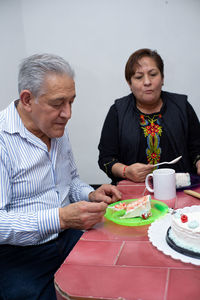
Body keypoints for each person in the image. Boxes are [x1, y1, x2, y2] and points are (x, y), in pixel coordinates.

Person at [0, 53, 121, 300]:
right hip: (19, 253)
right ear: (27, 99)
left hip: (67, 235)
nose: (68, 114)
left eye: (71, 102)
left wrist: (90, 193)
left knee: (115, 274)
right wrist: (60, 218)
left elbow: (70, 180)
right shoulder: (3, 141)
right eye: (58, 103)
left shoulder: (55, 127)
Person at [98, 48, 200, 184]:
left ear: (162, 78)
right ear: (130, 83)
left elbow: (197, 148)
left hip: (180, 189)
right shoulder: (118, 111)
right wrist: (126, 171)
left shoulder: (182, 106)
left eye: (153, 74)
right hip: (133, 194)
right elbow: (106, 159)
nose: (147, 82)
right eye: (139, 77)